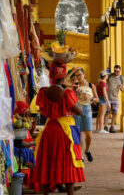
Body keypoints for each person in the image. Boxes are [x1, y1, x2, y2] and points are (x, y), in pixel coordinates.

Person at [32, 61, 85, 195]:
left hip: (49, 129)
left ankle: (45, 192)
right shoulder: (67, 93)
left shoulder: (44, 92)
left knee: (47, 161)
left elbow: (40, 108)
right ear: (63, 76)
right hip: (64, 131)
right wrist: (76, 96)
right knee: (67, 162)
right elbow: (79, 111)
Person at [73, 68, 99, 162]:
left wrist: (91, 98)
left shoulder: (91, 85)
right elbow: (64, 82)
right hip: (77, 109)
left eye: (79, 74)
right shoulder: (75, 86)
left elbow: (97, 99)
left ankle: (87, 150)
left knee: (89, 135)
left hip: (87, 109)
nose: (78, 77)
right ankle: (80, 155)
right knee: (78, 134)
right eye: (76, 75)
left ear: (84, 75)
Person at [104, 65, 124, 133]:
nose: (116, 72)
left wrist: (121, 87)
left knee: (115, 113)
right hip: (107, 97)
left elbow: (123, 89)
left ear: (120, 71)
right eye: (115, 71)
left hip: (115, 98)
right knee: (106, 113)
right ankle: (105, 126)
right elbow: (103, 82)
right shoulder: (109, 76)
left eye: (117, 71)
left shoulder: (121, 78)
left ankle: (112, 127)